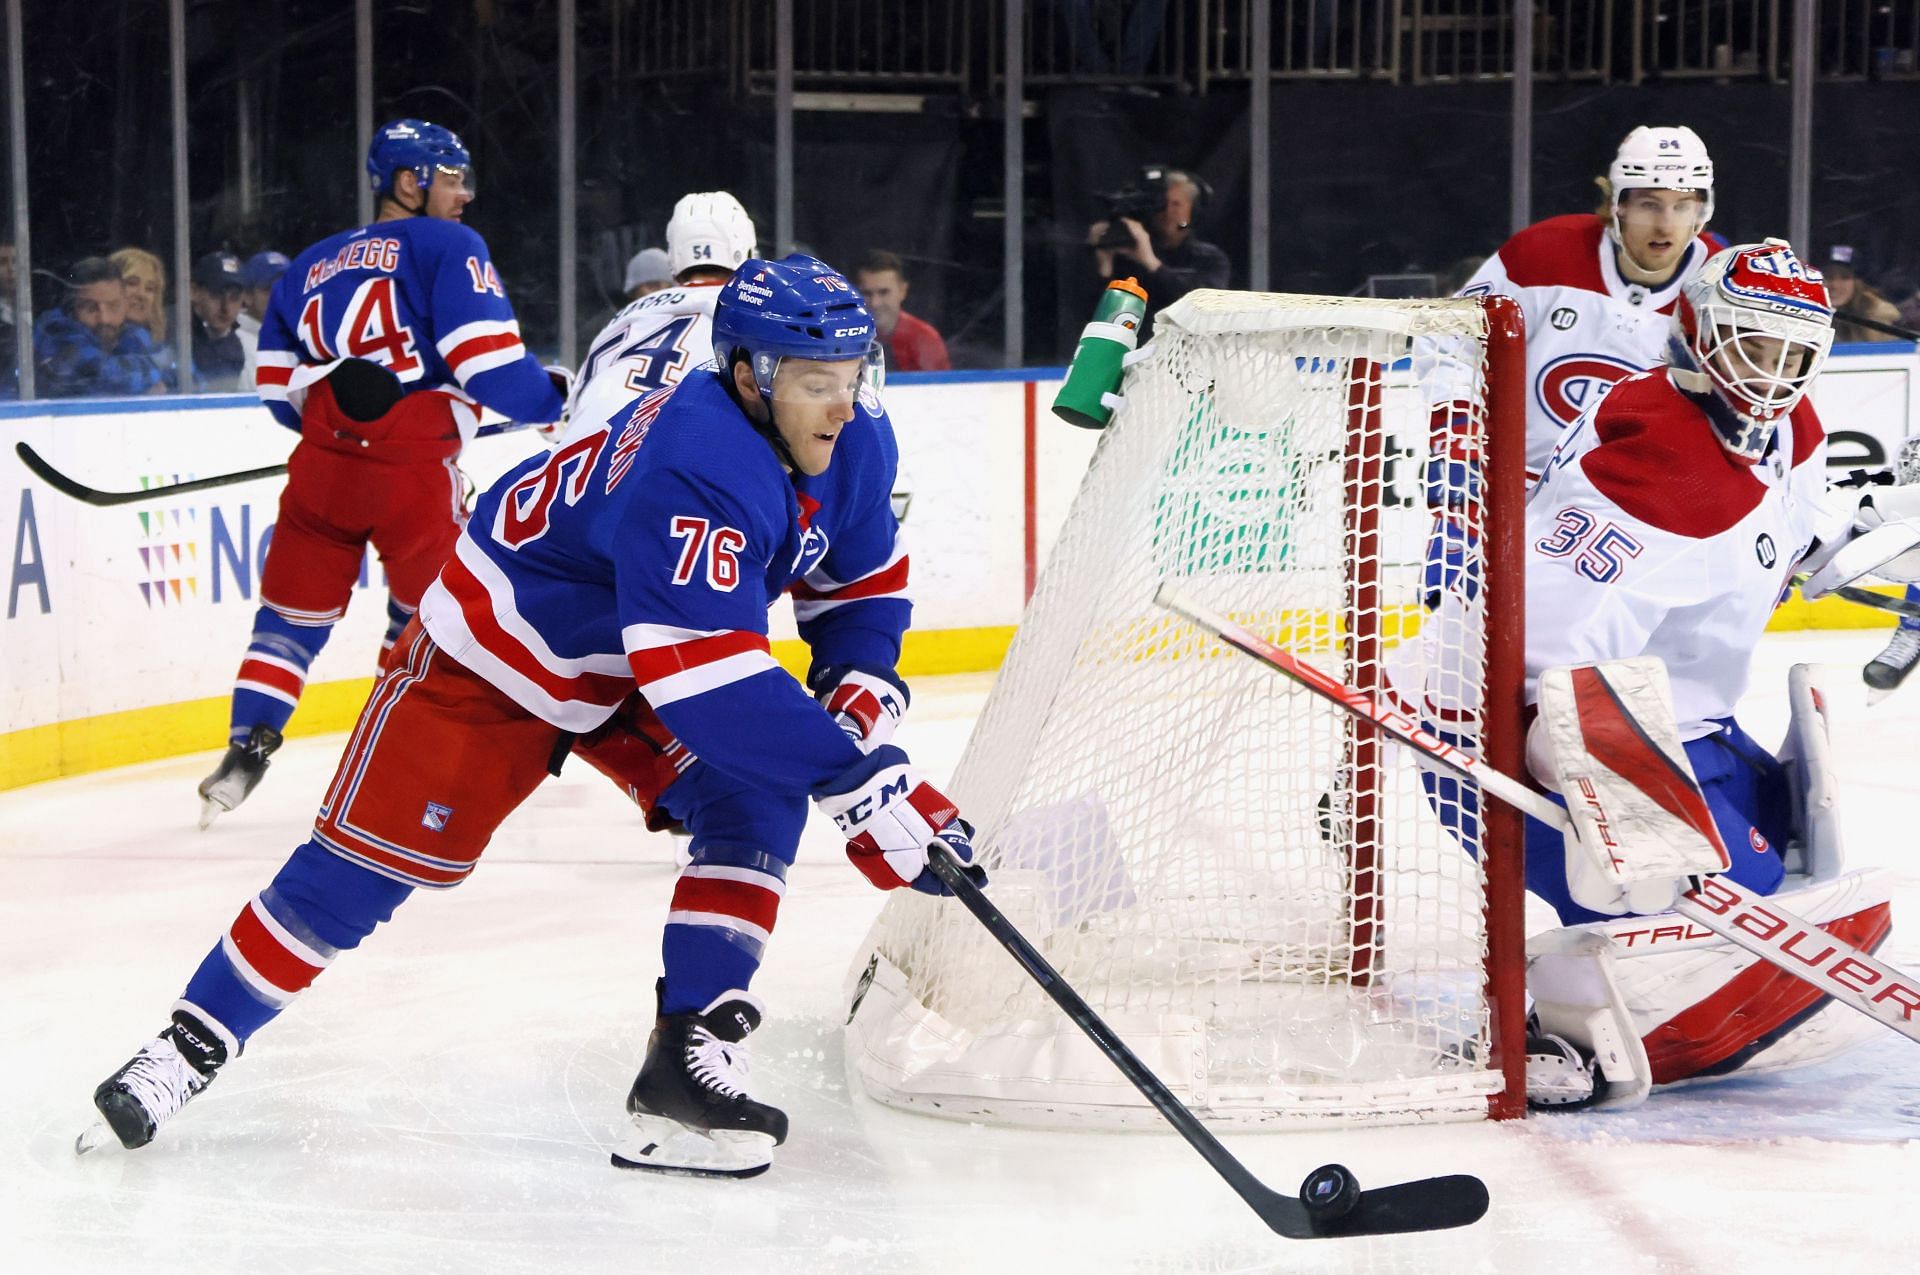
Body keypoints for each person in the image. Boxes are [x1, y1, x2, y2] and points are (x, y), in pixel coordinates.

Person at [84, 253, 984, 1182]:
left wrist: (859, 692)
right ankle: (184, 1051)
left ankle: (687, 1059)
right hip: (503, 646)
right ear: (751, 377)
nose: (844, 404)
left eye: (852, 376)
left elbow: (861, 582)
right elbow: (707, 685)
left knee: (756, 798)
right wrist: (862, 780)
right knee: (361, 875)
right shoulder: (697, 455)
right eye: (815, 384)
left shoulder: (857, 431)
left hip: (641, 645)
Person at [1419, 241, 1899, 1106]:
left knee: (1785, 851)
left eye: (1795, 354)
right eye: (1755, 346)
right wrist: (1631, 833)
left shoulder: (1787, 428)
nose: (1776, 374)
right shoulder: (1651, 486)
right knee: (1707, 906)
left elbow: (1787, 535)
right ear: (1702, 333)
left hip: (1668, 714)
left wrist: (1885, 568)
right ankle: (1568, 1018)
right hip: (1498, 739)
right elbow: (1536, 673)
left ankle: (1652, 923)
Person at [196, 118, 567, 828]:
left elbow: (278, 390)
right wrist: (560, 402)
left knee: (288, 620)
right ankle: (386, 764)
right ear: (410, 181)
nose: (464, 196)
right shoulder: (449, 246)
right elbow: (489, 367)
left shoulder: (307, 265)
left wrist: (341, 435)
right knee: (423, 623)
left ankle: (246, 748)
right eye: (454, 179)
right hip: (413, 478)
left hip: (320, 477)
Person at [563, 191, 756, 447]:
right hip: (668, 467)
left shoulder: (620, 321)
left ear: (674, 260)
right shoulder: (748, 315)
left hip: (578, 468)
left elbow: (571, 415)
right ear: (747, 252)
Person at [1086, 168, 1229, 332]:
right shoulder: (1128, 254)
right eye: (1161, 204)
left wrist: (1152, 264)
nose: (1167, 212)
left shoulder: (1209, 259)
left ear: (1193, 210)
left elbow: (1204, 306)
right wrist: (1104, 266)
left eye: (1176, 204)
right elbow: (1093, 318)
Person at [31, 257, 170, 398]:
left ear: (125, 305)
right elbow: (102, 375)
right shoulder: (56, 330)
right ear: (71, 310)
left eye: (113, 306)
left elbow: (181, 372)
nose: (104, 318)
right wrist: (152, 380)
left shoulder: (130, 333)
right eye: (91, 308)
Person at [851, 250, 949, 372]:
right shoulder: (844, 336)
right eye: (866, 293)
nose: (875, 303)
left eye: (883, 292)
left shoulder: (925, 339)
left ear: (902, 291)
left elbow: (938, 389)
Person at [187, 252, 252, 392]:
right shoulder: (172, 334)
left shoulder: (238, 346)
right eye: (216, 294)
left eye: (234, 297)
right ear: (194, 292)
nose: (225, 308)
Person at [1823, 245, 1904, 344]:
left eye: (1845, 277)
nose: (1835, 285)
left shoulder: (1879, 315)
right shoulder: (1806, 312)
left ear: (1859, 283)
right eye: (1828, 276)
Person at [111, 246, 168, 349]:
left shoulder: (160, 352)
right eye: (132, 283)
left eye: (150, 288)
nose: (142, 294)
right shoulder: (84, 347)